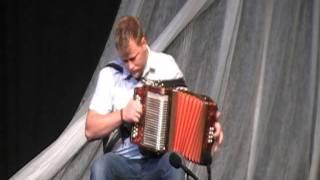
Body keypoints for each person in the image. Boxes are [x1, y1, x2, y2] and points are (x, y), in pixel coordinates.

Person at [85, 16, 224, 180]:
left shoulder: (166, 65)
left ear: (144, 42)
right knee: (100, 167)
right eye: (124, 60)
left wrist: (208, 129)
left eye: (133, 58)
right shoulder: (109, 75)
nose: (129, 66)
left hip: (159, 161)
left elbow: (190, 114)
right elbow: (90, 130)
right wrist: (122, 115)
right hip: (122, 162)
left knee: (173, 164)